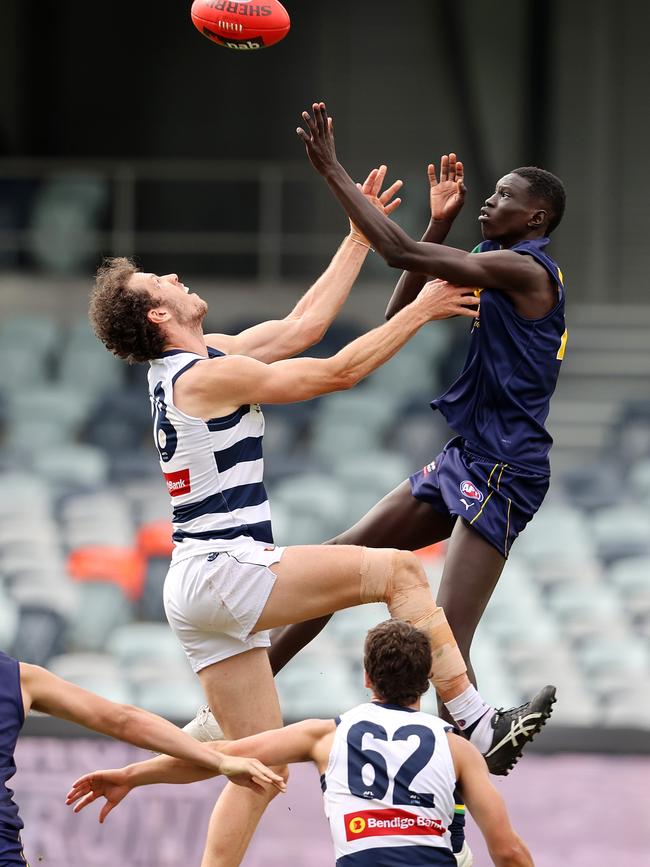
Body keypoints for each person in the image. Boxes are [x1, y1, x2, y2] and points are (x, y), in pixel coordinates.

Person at [89, 169, 551, 867]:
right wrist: (421, 311)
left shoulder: (204, 361)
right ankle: (480, 726)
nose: (176, 276)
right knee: (397, 571)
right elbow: (336, 372)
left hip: (193, 586)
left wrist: (355, 236)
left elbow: (305, 326)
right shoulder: (208, 375)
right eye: (162, 281)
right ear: (159, 317)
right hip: (228, 568)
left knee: (254, 766)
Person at [268, 103, 567, 715]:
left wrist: (331, 169)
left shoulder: (524, 270)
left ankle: (461, 788)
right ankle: (233, 700)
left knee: (447, 639)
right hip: (471, 456)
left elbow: (397, 254)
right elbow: (397, 315)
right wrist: (439, 224)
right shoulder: (492, 260)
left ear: (536, 217)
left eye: (503, 195)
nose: (489, 200)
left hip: (507, 469)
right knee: (340, 560)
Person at [66, 620, 535, 867]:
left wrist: (132, 775)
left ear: (367, 678)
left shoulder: (324, 735)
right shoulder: (457, 749)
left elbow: (215, 758)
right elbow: (509, 852)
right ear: (427, 685)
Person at [0, 651, 284, 867]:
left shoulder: (18, 678)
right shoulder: (19, 678)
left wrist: (217, 760)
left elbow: (124, 720)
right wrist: (218, 760)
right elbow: (123, 720)